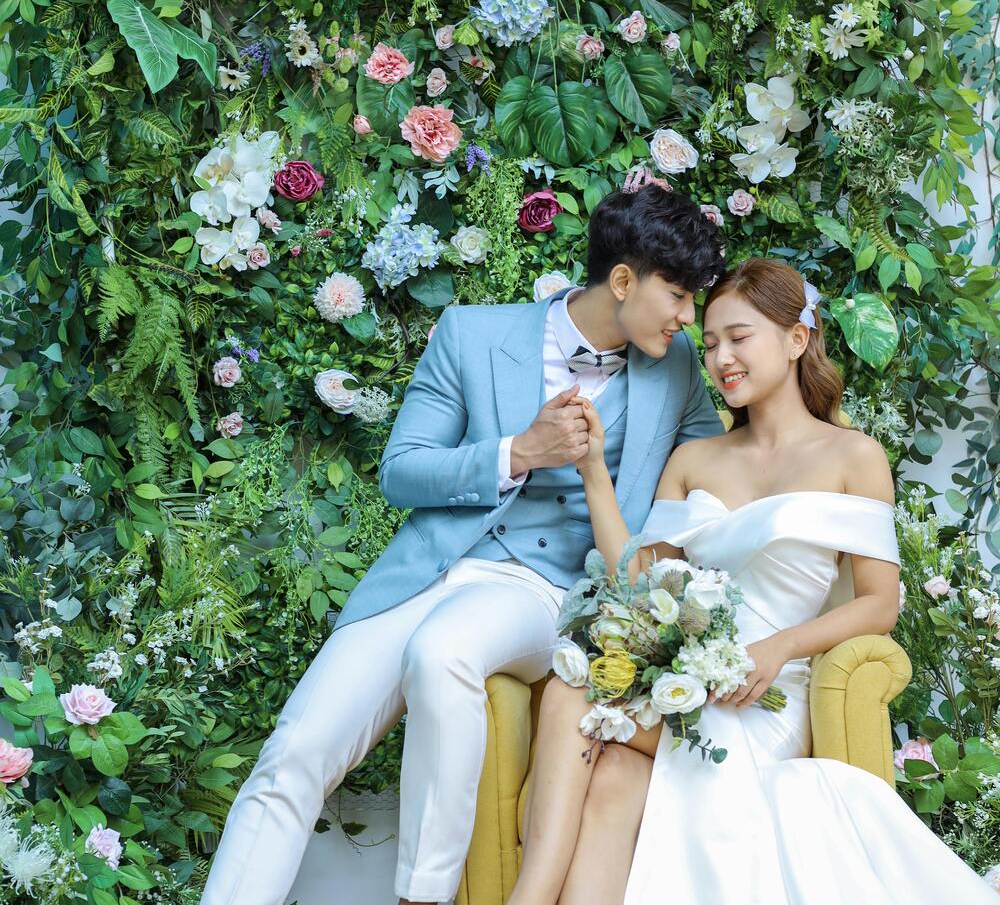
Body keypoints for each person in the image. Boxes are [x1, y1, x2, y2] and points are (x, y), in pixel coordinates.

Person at [200, 184, 726, 905]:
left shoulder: (677, 368)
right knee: (293, 754)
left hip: (546, 593)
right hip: (430, 570)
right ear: (626, 281)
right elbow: (402, 470)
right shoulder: (471, 332)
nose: (687, 315)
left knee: (445, 649)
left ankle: (423, 896)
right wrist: (519, 450)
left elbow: (718, 477)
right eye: (678, 294)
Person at [509, 257, 995, 905]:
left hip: (764, 697)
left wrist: (782, 647)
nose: (720, 358)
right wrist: (593, 469)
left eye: (739, 337)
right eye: (709, 344)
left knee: (579, 700)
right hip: (687, 683)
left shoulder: (852, 457)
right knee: (610, 769)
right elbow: (635, 579)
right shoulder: (695, 459)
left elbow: (881, 604)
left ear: (797, 340)